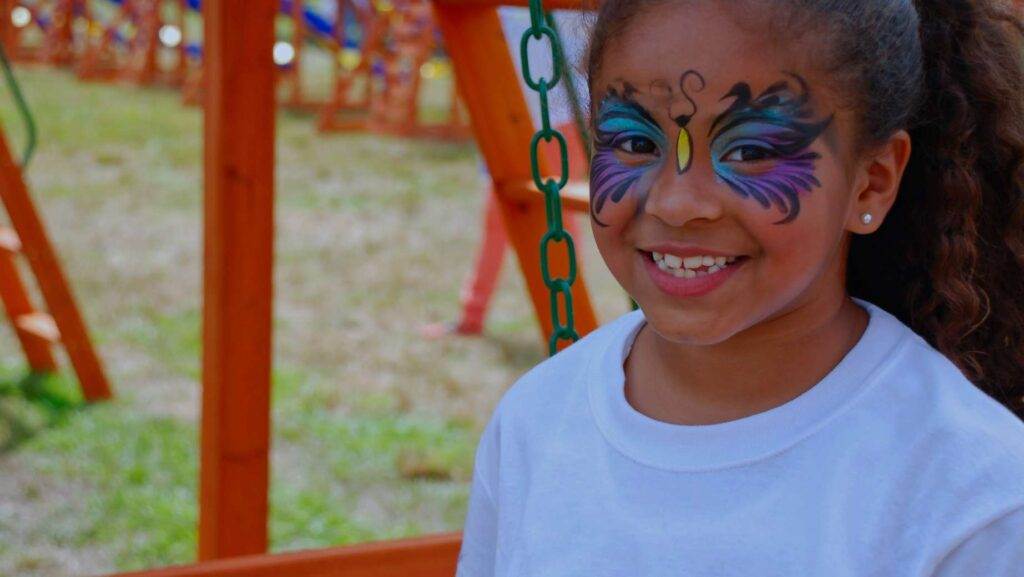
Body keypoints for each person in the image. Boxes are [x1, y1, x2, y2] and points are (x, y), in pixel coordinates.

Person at [455, 0, 1024, 575]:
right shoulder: (536, 423)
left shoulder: (975, 497)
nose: (677, 204)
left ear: (870, 185)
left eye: (750, 151)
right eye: (634, 143)